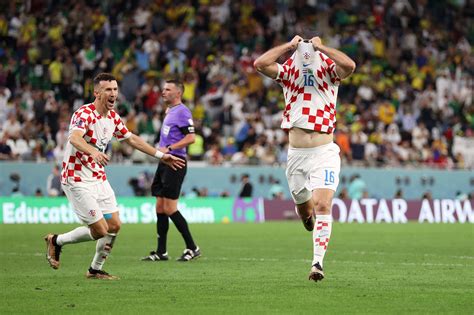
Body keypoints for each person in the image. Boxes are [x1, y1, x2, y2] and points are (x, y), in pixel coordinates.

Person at [44, 73, 185, 279]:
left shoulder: (112, 118)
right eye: (108, 90)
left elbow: (132, 139)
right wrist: (93, 151)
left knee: (115, 225)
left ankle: (95, 269)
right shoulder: (84, 114)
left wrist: (161, 156)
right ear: (97, 92)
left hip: (98, 177)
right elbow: (74, 138)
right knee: (100, 230)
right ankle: (56, 241)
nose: (113, 94)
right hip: (77, 178)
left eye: (115, 90)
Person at [254, 35, 356, 282]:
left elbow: (350, 66)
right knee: (305, 211)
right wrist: (289, 46)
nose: (307, 54)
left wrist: (322, 47)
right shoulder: (289, 70)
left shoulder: (330, 70)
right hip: (297, 155)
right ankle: (307, 220)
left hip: (325, 152)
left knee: (323, 205)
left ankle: (317, 263)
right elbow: (259, 63)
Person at [142, 79, 200, 262]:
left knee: (169, 208)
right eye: (163, 88)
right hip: (164, 162)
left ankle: (193, 247)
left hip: (175, 162)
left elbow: (191, 138)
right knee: (159, 206)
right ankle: (161, 251)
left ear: (178, 93)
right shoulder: (170, 111)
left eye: (167, 89)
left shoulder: (183, 111)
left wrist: (170, 148)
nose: (163, 92)